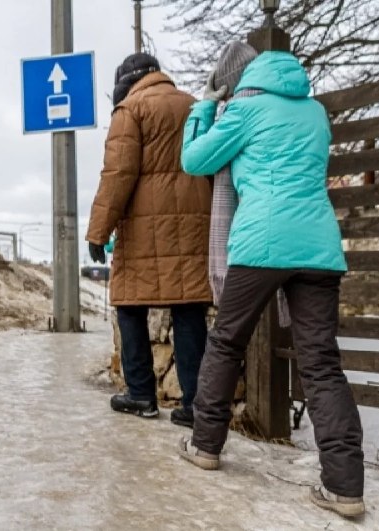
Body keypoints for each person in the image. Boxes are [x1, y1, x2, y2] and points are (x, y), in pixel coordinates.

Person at [176, 42, 365, 518]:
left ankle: (204, 446)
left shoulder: (243, 109)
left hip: (261, 241)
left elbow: (195, 161)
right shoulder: (317, 113)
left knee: (226, 343)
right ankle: (345, 488)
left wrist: (203, 106)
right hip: (319, 249)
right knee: (322, 363)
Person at [86, 52, 213, 428]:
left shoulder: (131, 110)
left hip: (144, 229)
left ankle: (141, 394)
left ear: (125, 82)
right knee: (189, 309)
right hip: (194, 225)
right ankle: (195, 405)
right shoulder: (192, 105)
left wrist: (98, 230)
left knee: (129, 306)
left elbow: (118, 175)